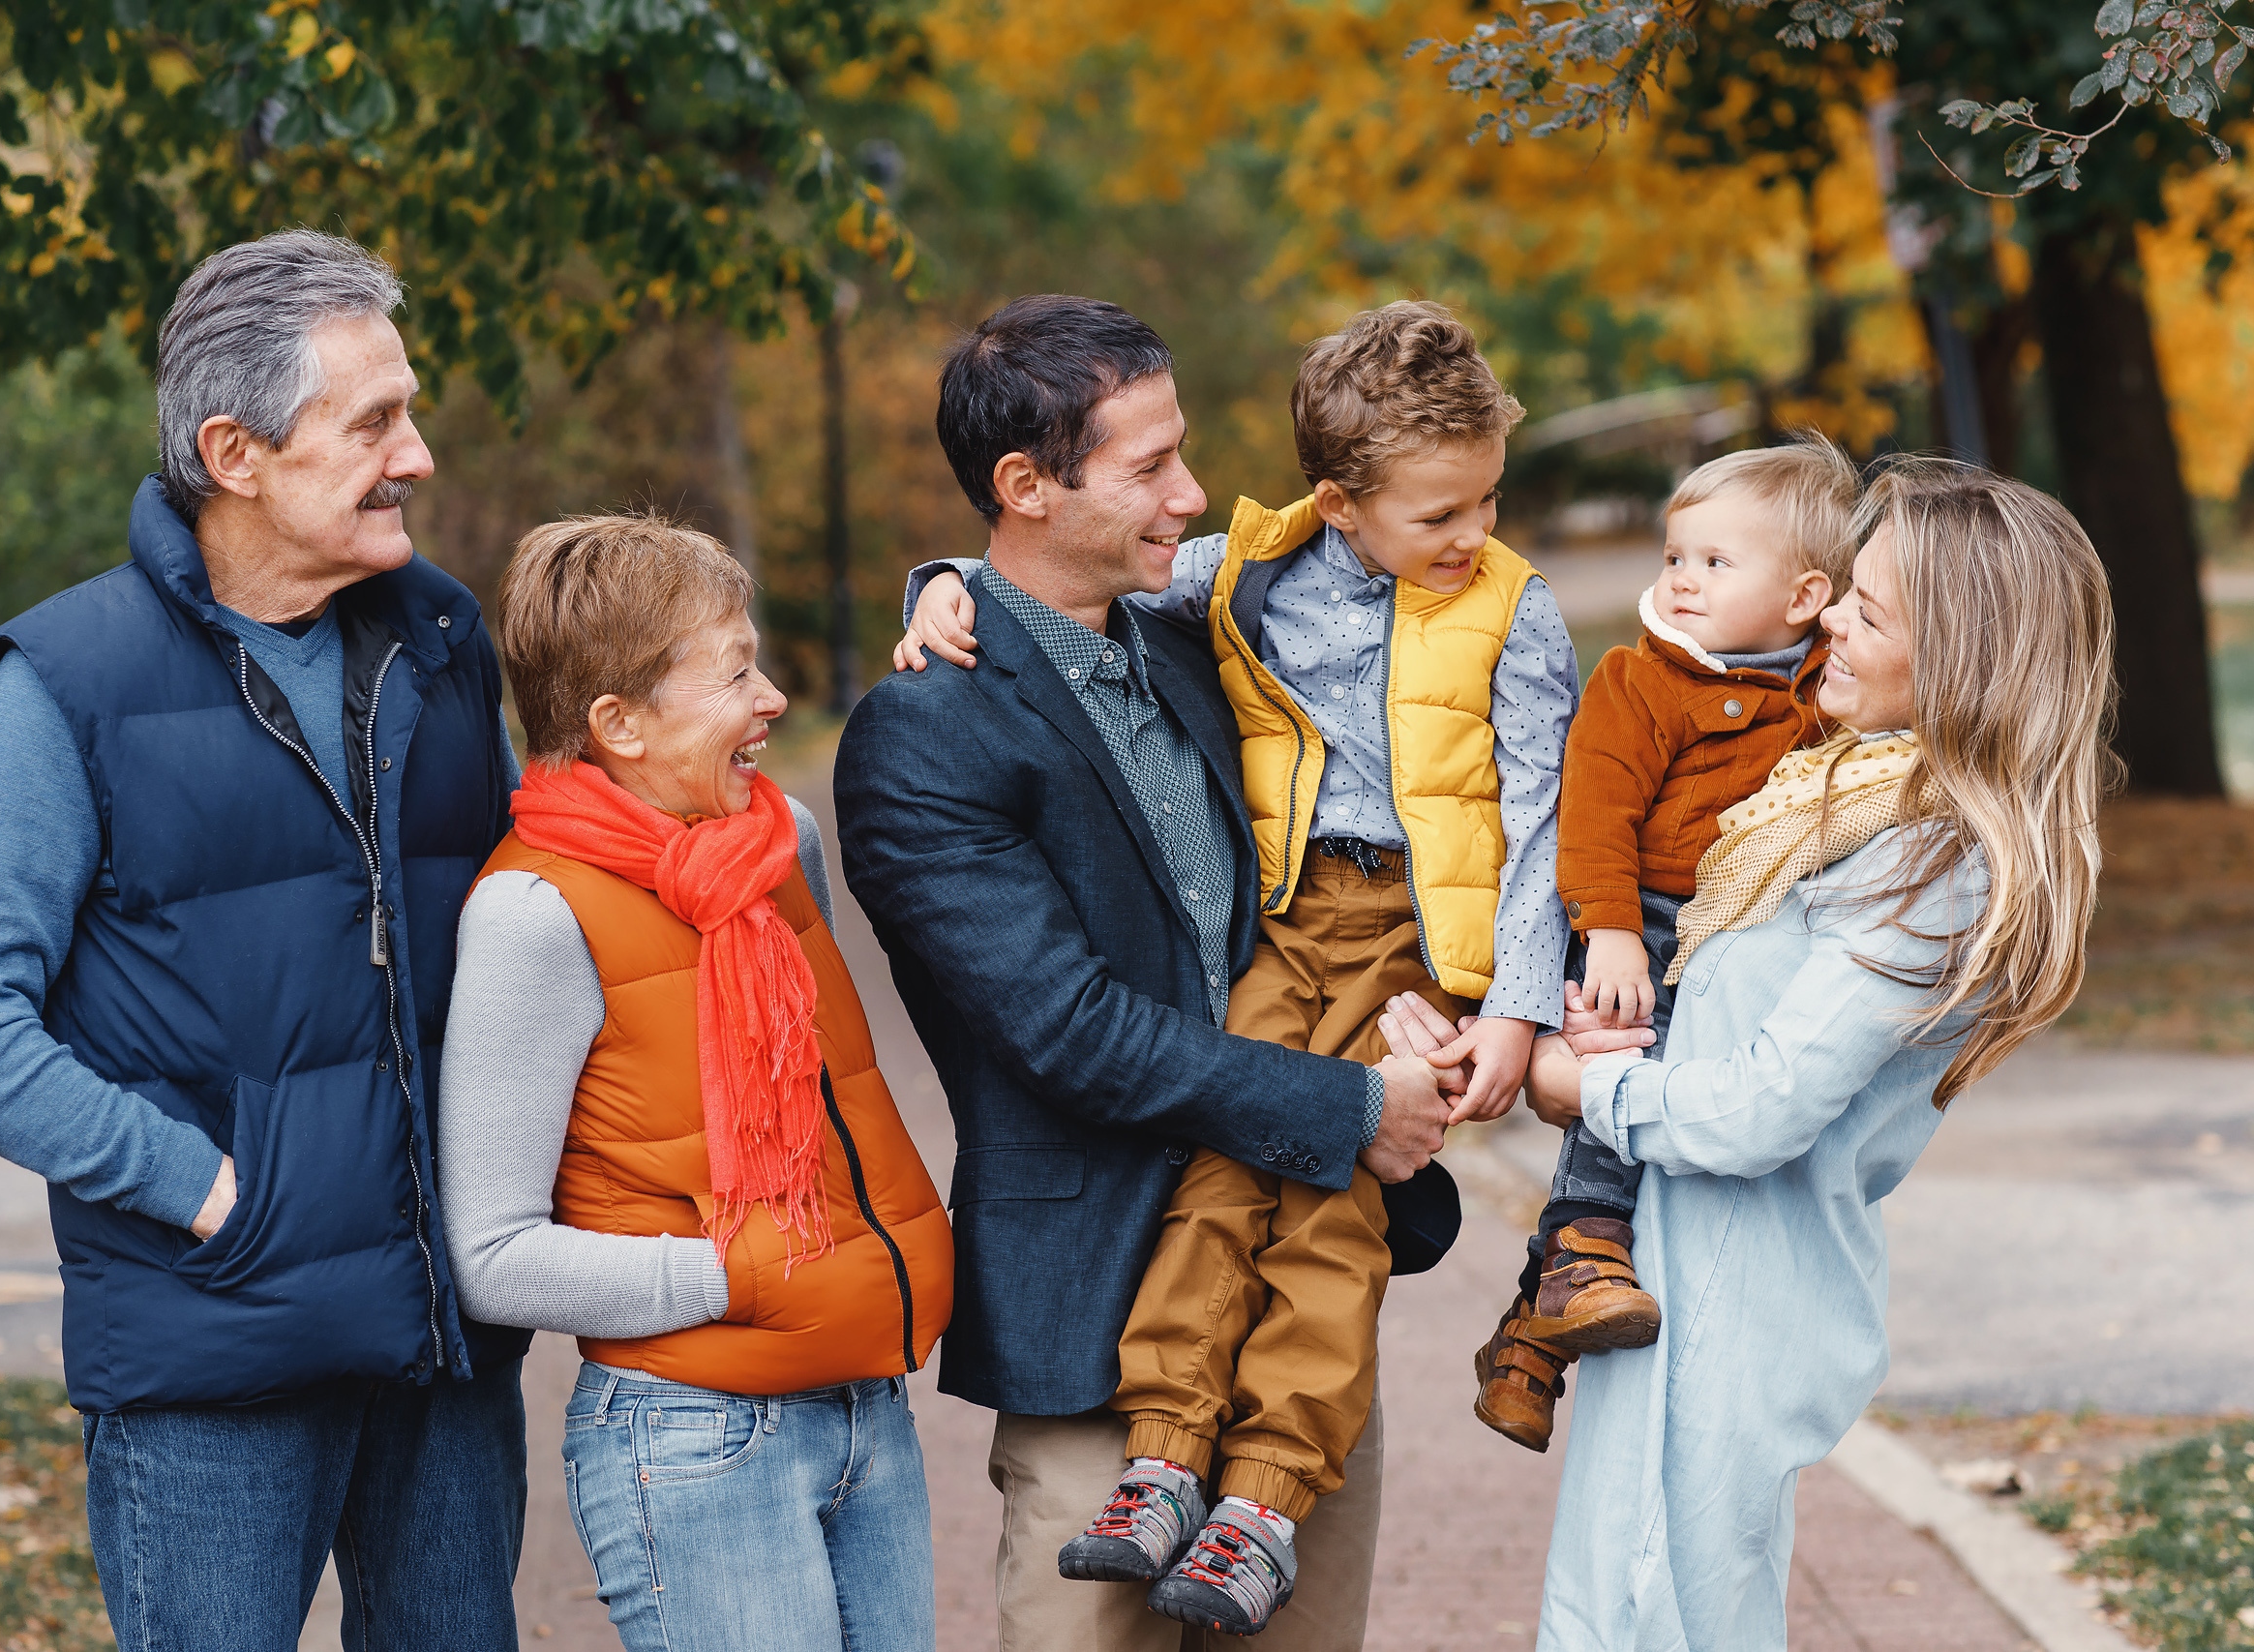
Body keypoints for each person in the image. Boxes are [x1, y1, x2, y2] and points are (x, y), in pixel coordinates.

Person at [892, 300, 1575, 1635]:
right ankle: (1168, 1453)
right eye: (1152, 466)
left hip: (1395, 988)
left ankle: (1264, 1483)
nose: (1193, 493)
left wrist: (1512, 1002)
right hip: (1103, 1266)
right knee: (1236, 1176)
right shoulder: (1194, 600)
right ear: (1027, 485)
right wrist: (945, 580)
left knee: (1331, 1228)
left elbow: (1540, 806)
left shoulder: (1205, 619)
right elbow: (1068, 1025)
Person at [0, 230, 529, 1647]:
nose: (418, 455)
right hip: (214, 1346)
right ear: (235, 452)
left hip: (443, 1337)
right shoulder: (65, 684)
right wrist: (209, 1192)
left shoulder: (443, 643)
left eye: (411, 412)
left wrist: (946, 599)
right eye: (373, 421)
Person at [1384, 458, 2116, 1648]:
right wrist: (1514, 1038)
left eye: (1866, 611)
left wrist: (1573, 1085)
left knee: (1653, 1618)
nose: (1829, 621)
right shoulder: (1818, 793)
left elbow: (1759, 1109)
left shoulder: (1929, 857)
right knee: (1612, 1614)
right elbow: (1690, 1013)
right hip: (1667, 1266)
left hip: (1731, 1301)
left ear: (1959, 661)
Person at [436, 514, 953, 1652]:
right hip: (693, 1436)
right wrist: (746, 1275)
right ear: (618, 722)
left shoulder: (779, 844)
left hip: (862, 1400)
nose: (772, 698)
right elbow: (494, 1255)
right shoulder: (532, 913)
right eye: (734, 674)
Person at [1472, 435, 1860, 1453]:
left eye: (1715, 562)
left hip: (1740, 927)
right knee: (1624, 1069)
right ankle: (1584, 1251)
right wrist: (1606, 935)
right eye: (1675, 556)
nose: (1681, 579)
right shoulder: (1638, 681)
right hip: (1638, 920)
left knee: (1678, 1110)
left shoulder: (1827, 694)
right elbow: (1592, 815)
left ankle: (1528, 1340)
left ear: (1805, 596)